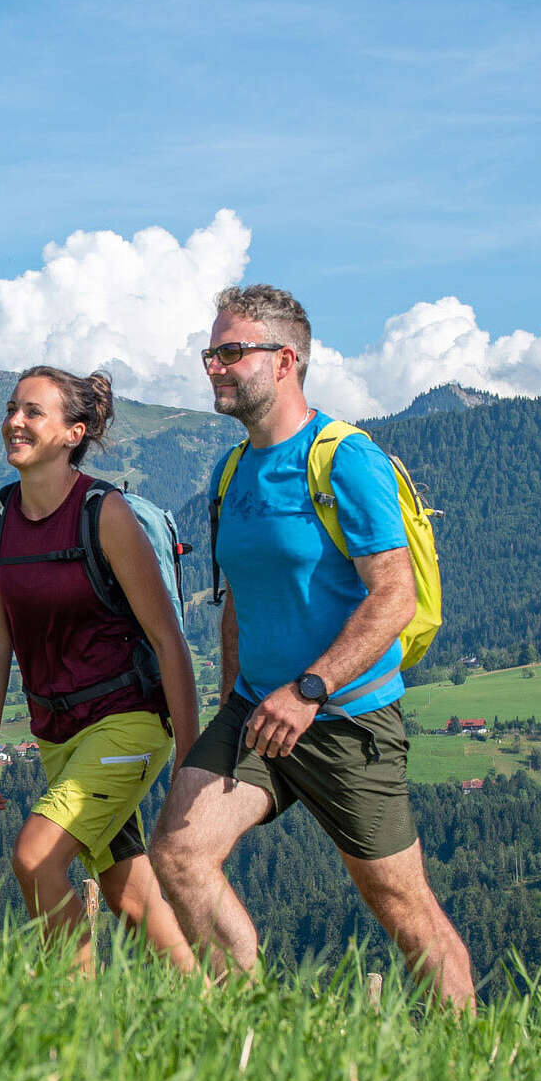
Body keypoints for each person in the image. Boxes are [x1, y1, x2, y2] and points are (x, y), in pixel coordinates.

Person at [151, 285, 476, 1009]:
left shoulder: (345, 459)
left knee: (401, 906)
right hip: (256, 713)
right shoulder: (229, 472)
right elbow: (235, 600)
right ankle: (252, 1025)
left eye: (232, 352)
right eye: (211, 353)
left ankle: (474, 1062)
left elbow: (395, 597)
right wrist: (231, 707)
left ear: (285, 360)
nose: (215, 368)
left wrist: (309, 690)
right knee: (178, 853)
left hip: (343, 717)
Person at [0, 366, 199, 975]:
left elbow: (168, 641)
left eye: (33, 412)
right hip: (56, 733)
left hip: (128, 724)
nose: (14, 422)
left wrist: (190, 759)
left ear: (74, 433)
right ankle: (212, 1007)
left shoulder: (106, 515)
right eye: (12, 408)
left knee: (36, 858)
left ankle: (73, 1027)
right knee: (127, 892)